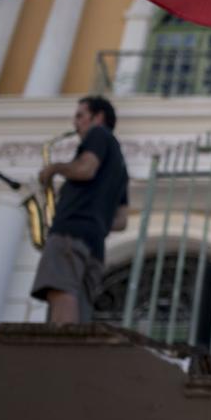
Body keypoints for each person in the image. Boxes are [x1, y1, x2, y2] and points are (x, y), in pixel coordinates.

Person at [32, 96, 129, 324]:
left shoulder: (98, 134)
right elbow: (122, 220)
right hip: (94, 244)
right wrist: (99, 220)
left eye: (80, 116)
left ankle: (60, 354)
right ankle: (72, 354)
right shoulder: (120, 165)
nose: (75, 123)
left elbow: (86, 169)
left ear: (98, 117)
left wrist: (54, 169)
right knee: (81, 306)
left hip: (70, 233)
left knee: (60, 290)